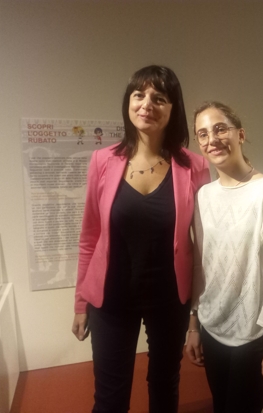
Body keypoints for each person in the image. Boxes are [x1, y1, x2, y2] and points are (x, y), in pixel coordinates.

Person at [71, 65, 210, 413]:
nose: (147, 104)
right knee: (110, 397)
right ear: (128, 103)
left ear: (173, 109)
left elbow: (203, 248)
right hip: (111, 299)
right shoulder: (103, 161)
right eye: (139, 95)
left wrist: (196, 317)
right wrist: (80, 303)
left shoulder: (194, 167)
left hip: (169, 299)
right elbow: (89, 237)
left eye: (159, 98)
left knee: (165, 387)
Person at [186, 101, 263, 413]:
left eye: (220, 129)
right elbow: (200, 264)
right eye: (203, 134)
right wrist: (193, 325)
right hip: (211, 327)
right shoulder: (203, 196)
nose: (212, 139)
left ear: (240, 135)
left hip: (252, 336)